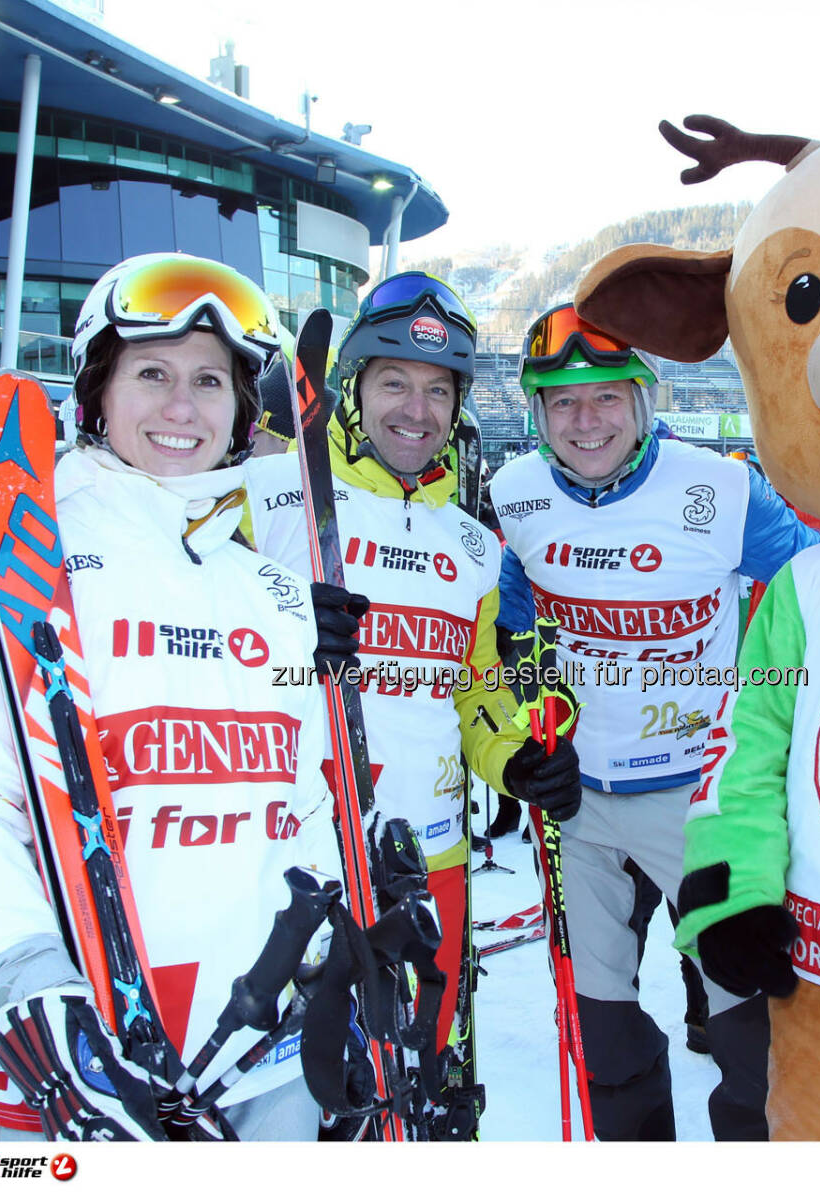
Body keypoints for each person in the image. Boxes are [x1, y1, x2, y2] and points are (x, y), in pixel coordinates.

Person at [0, 252, 341, 1141]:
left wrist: (334, 944)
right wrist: (17, 976)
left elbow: (309, 795)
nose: (182, 408)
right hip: (89, 1042)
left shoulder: (276, 591)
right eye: (152, 374)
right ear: (96, 391)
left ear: (241, 410)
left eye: (210, 381)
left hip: (269, 1043)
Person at [246, 272, 577, 1133]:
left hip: (431, 862)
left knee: (420, 1074)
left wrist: (518, 757)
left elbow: (474, 693)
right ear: (350, 390)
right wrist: (276, 624)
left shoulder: (471, 542)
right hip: (303, 858)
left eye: (439, 390)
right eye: (393, 381)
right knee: (302, 1087)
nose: (416, 409)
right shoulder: (272, 498)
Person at [490, 303, 820, 1141]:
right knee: (604, 1030)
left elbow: (819, 595)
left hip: (699, 802)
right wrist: (536, 723)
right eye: (562, 403)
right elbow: (515, 620)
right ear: (536, 414)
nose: (585, 421)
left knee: (749, 1033)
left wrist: (773, 717)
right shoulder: (518, 492)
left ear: (644, 400)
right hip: (581, 808)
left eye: (606, 396)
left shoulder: (719, 488)